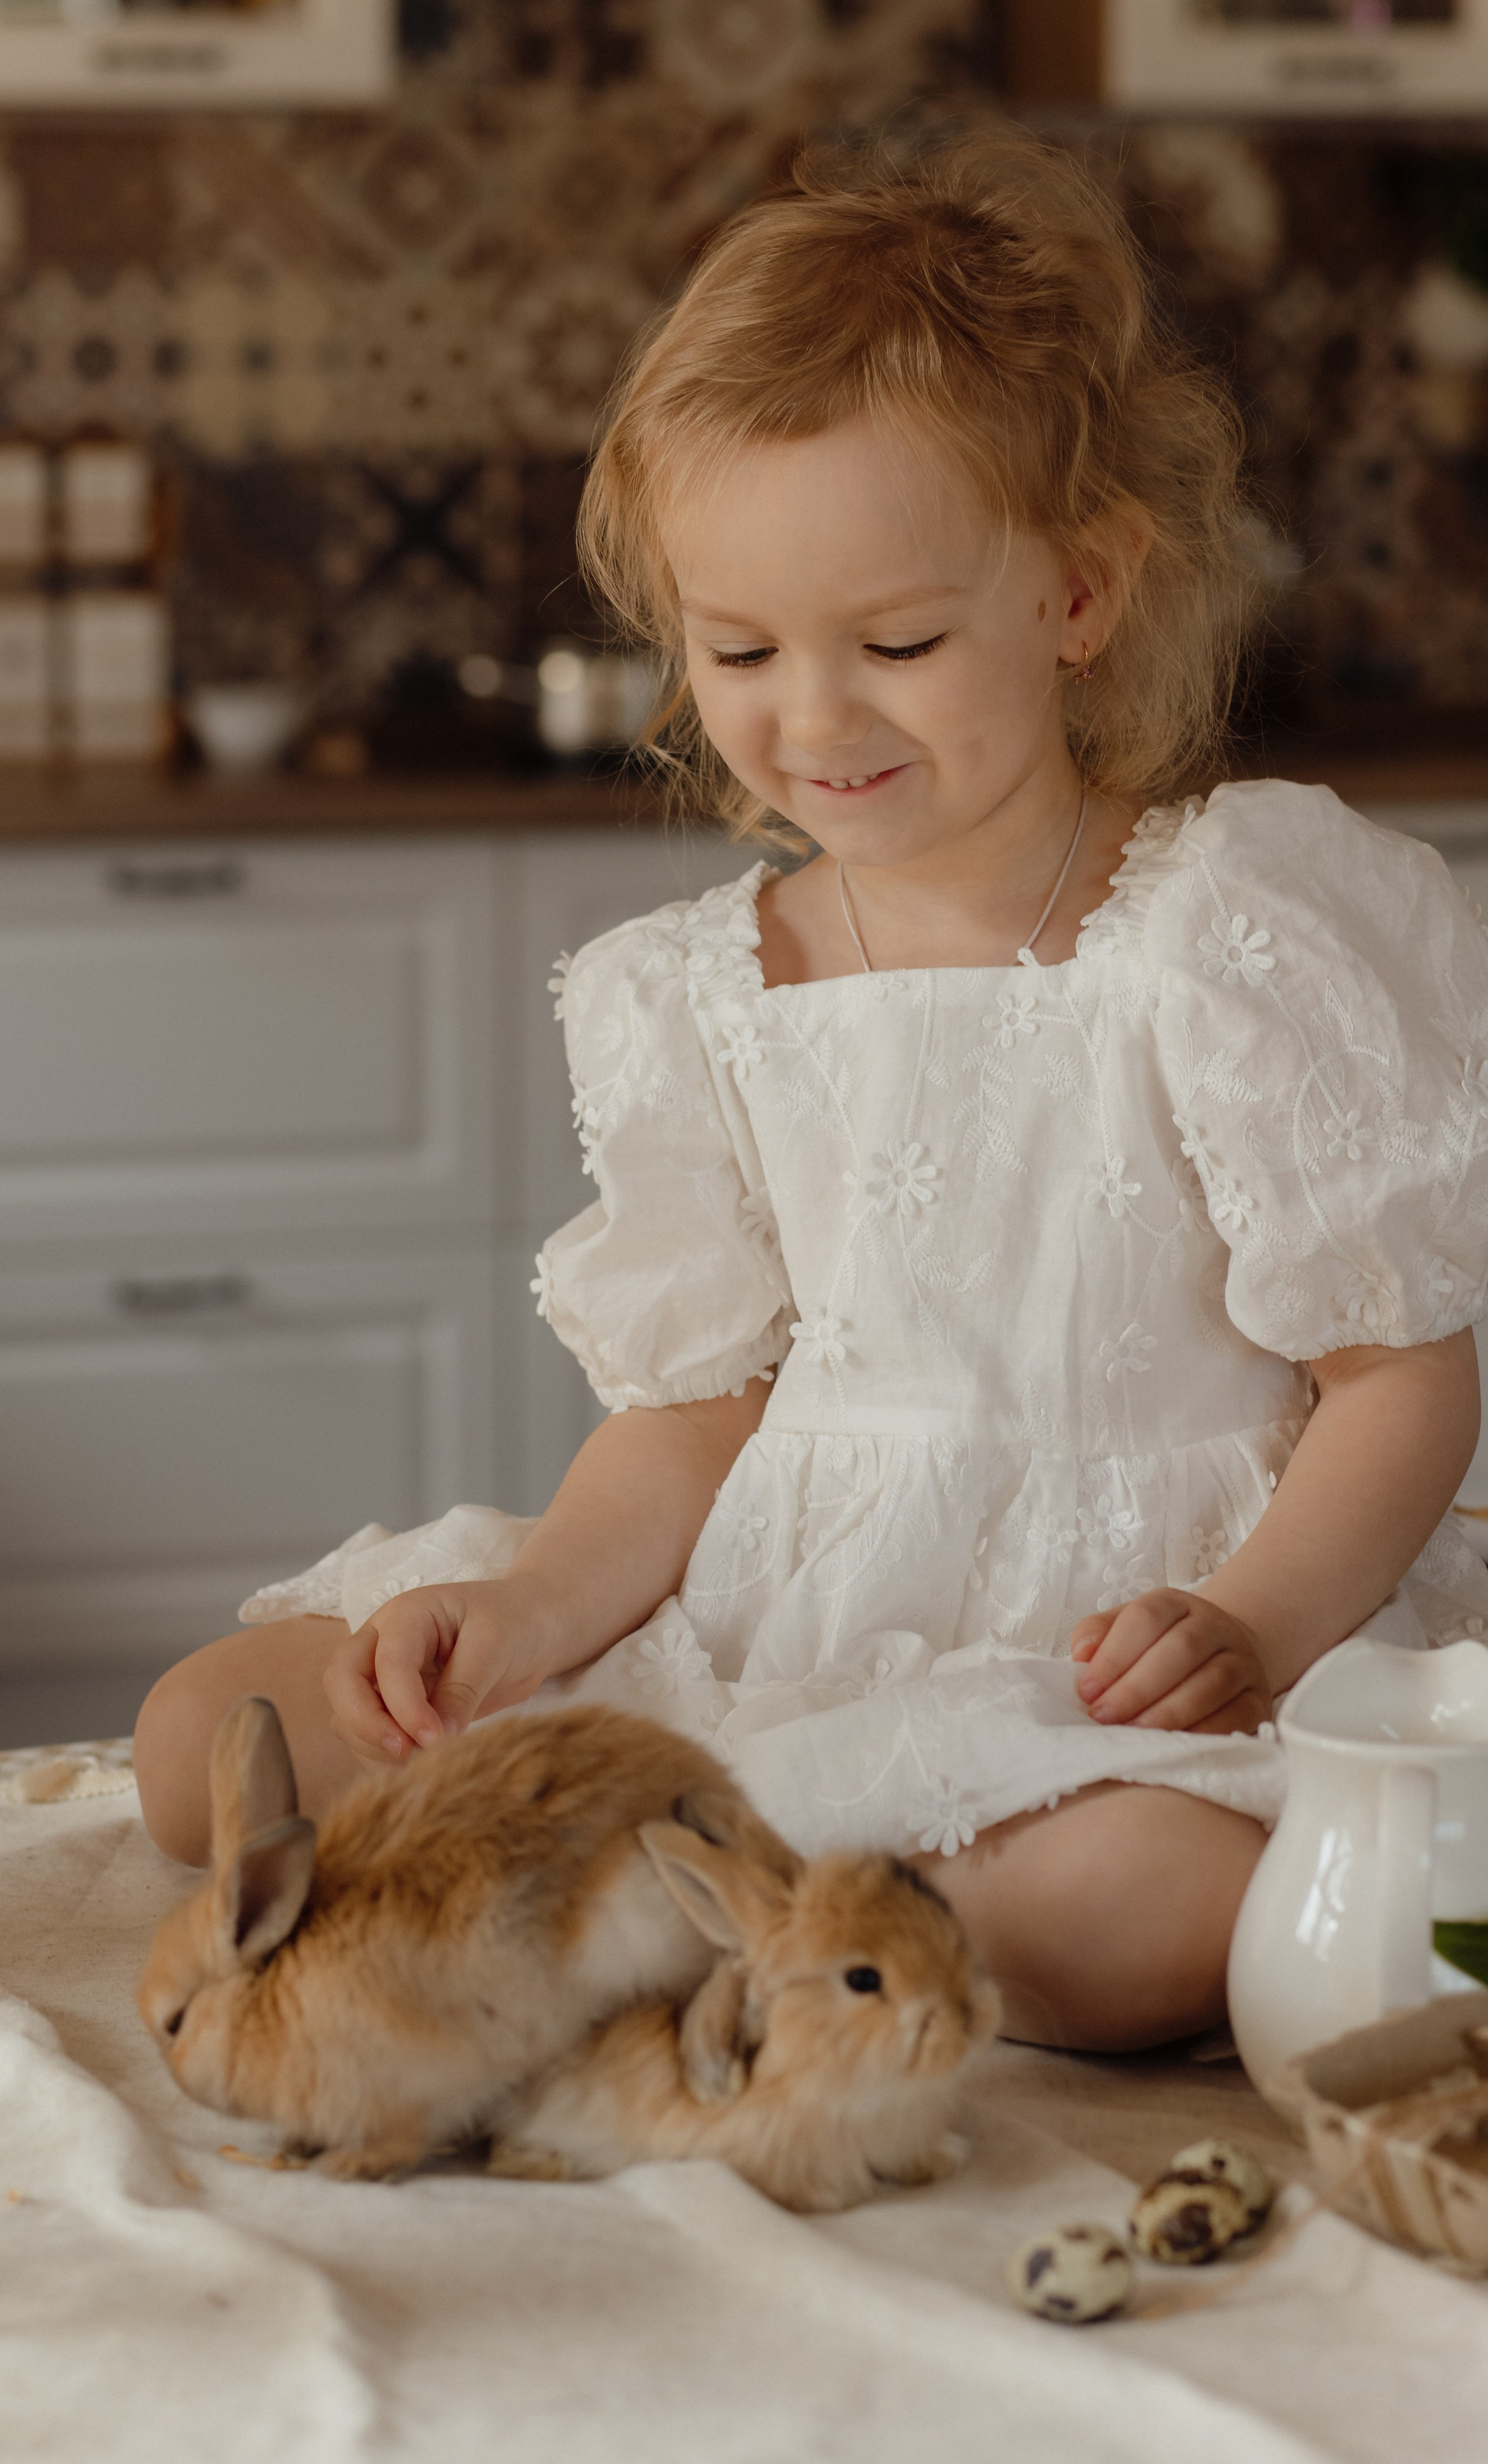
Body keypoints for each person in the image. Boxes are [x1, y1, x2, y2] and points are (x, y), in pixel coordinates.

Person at [134, 129, 1488, 2050]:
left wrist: (1257, 1623)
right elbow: (699, 1421)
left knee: (1139, 1913)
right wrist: (530, 1612)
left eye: (900, 643)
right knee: (211, 1737)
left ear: (1081, 593)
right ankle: (767, 1888)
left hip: (1126, 1660)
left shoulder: (1224, 928)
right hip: (797, 1616)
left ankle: (697, 1892)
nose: (815, 716)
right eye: (740, 647)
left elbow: (1402, 1374)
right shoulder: (701, 987)